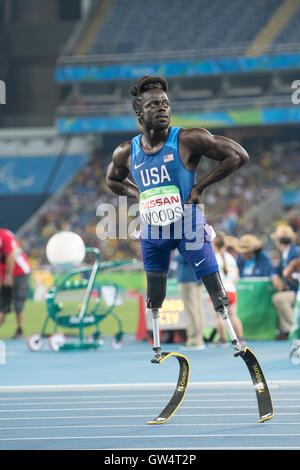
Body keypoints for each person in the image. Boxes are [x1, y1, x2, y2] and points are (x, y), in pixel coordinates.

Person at [106, 75, 249, 358]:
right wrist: (138, 194)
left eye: (165, 104)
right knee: (155, 289)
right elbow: (112, 180)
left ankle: (233, 340)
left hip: (188, 224)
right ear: (139, 113)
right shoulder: (126, 151)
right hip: (154, 229)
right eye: (154, 104)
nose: (162, 108)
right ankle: (157, 345)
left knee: (210, 277)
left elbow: (238, 156)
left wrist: (200, 187)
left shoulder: (187, 139)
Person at [212, 232, 244, 346]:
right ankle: (241, 338)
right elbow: (236, 275)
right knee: (233, 315)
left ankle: (222, 340)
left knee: (220, 316)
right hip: (231, 290)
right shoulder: (230, 257)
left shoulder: (214, 258)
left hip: (219, 291)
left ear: (214, 244)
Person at [0, 228, 31, 338]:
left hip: (20, 270)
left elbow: (10, 256)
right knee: (3, 302)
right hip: (5, 273)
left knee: (18, 300)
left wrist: (8, 277)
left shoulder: (4, 235)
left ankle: (19, 329)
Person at [271, 225, 299, 340]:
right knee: (278, 297)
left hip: (296, 289)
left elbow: (292, 274)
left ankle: (294, 328)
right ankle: (285, 330)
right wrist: (275, 276)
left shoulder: (294, 252)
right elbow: (276, 270)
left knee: (279, 298)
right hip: (292, 289)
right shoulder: (286, 253)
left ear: (278, 241)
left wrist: (283, 276)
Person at [175, 251, 205, 350]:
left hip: (187, 277)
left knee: (191, 310)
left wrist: (174, 256)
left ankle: (194, 340)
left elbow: (182, 258)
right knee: (197, 310)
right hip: (197, 276)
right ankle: (198, 338)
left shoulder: (186, 239)